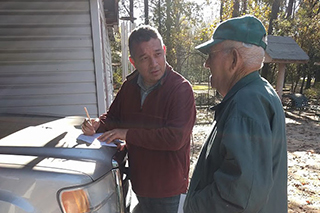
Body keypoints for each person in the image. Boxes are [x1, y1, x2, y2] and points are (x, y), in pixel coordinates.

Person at [82, 25, 196, 213]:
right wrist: (97, 125)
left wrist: (128, 134)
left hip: (169, 190)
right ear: (133, 61)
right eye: (144, 58)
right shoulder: (129, 87)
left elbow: (175, 138)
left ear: (164, 51)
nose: (154, 64)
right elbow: (114, 118)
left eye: (158, 54)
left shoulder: (180, 89)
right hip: (139, 184)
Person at [183, 15, 287, 213]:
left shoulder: (246, 104)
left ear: (233, 59)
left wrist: (194, 206)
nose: (206, 63)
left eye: (211, 54)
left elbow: (237, 197)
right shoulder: (257, 93)